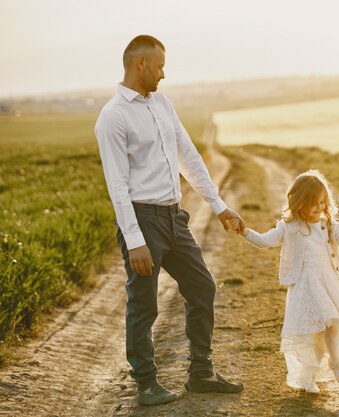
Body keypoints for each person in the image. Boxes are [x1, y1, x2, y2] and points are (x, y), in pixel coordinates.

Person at [95, 35, 245, 406]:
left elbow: (189, 158)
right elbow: (117, 184)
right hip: (142, 220)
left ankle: (201, 373)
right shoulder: (113, 116)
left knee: (202, 287)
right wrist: (134, 240)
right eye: (160, 66)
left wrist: (219, 206)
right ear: (140, 63)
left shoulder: (162, 104)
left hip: (174, 218)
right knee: (144, 305)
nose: (164, 73)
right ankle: (146, 384)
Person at [229, 170, 339, 393]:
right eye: (313, 203)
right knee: (328, 323)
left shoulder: (330, 226)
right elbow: (265, 241)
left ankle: (310, 376)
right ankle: (330, 364)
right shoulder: (289, 227)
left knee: (321, 333)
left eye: (322, 202)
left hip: (330, 282)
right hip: (306, 285)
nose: (319, 207)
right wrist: (245, 231)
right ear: (299, 202)